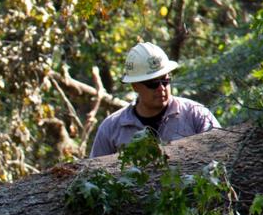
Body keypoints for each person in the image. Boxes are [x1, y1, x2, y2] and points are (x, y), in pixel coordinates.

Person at [89, 42, 219, 158]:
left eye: (165, 81)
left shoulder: (196, 114)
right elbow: (95, 177)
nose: (161, 88)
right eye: (153, 83)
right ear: (135, 86)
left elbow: (221, 153)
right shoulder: (111, 128)